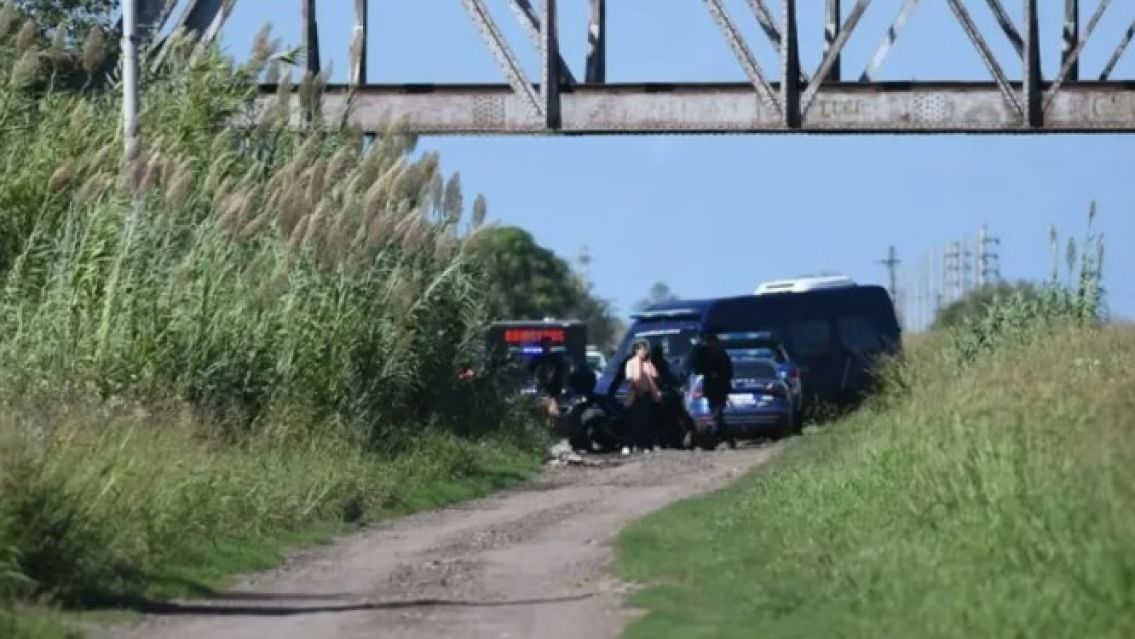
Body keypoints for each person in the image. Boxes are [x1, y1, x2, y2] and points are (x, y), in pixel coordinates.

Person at [690, 330, 735, 448]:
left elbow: (729, 371)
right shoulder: (705, 351)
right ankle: (723, 437)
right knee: (716, 412)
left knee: (717, 412)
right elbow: (697, 367)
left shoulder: (719, 352)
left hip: (718, 386)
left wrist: (719, 375)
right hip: (714, 386)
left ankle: (718, 436)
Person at [623, 340, 662, 455]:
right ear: (636, 350)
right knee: (633, 421)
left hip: (646, 394)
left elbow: (655, 375)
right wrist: (636, 386)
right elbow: (630, 378)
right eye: (642, 350)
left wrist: (648, 364)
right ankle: (628, 444)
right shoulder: (630, 363)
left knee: (646, 421)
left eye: (646, 350)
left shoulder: (647, 363)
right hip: (635, 394)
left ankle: (645, 444)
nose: (645, 352)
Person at [529, 337, 567, 417]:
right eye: (545, 345)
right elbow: (531, 370)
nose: (547, 347)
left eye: (549, 345)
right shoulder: (538, 358)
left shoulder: (556, 358)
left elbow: (562, 371)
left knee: (553, 407)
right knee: (544, 406)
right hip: (542, 386)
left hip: (555, 387)